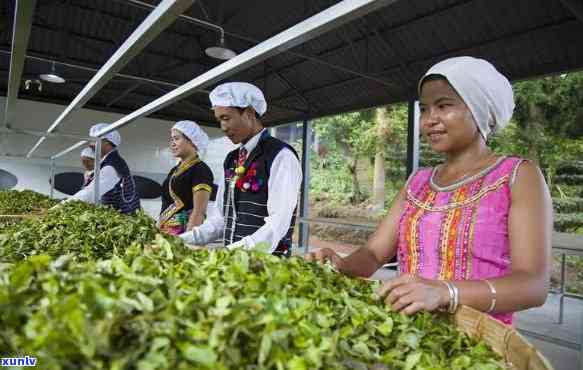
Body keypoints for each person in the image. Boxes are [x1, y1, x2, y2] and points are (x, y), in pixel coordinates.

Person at [306, 56, 552, 325]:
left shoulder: (517, 176)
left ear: (484, 111)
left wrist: (445, 291)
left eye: (444, 106)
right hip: (410, 332)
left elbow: (533, 285)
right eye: (424, 109)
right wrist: (341, 265)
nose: (428, 120)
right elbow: (374, 254)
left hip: (479, 342)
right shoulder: (419, 182)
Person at [179, 82, 302, 257]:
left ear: (250, 113)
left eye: (226, 118)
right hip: (233, 264)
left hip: (267, 268)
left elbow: (278, 223)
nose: (223, 127)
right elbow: (221, 219)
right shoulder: (232, 160)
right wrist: (182, 240)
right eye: (219, 120)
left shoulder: (280, 156)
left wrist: (233, 253)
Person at [67, 123, 141, 214]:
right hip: (117, 216)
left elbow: (89, 193)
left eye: (94, 141)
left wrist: (58, 208)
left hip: (125, 219)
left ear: (107, 142)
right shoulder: (108, 162)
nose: (90, 145)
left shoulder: (112, 165)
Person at [158, 120, 215, 235]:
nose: (172, 144)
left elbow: (199, 212)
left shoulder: (201, 170)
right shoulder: (174, 171)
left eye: (177, 138)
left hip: (184, 234)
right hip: (166, 232)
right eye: (172, 139)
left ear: (192, 141)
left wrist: (187, 242)